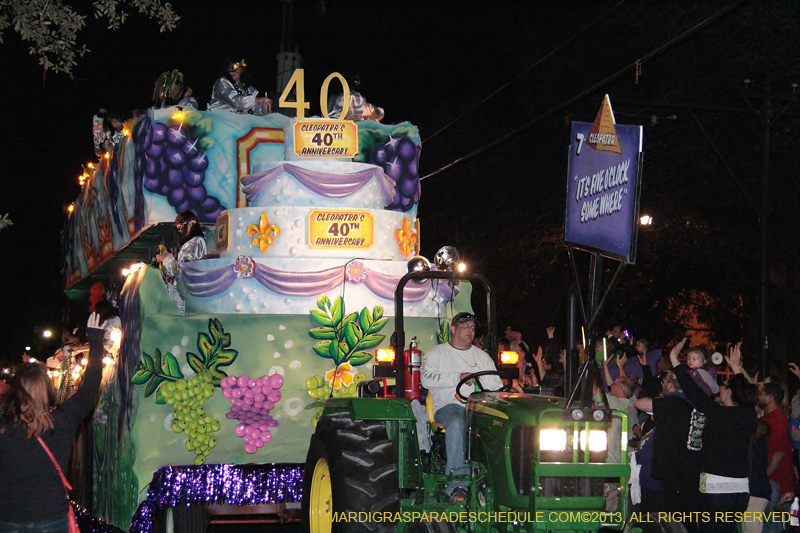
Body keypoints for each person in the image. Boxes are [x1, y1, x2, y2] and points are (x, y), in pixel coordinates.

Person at [0, 313, 104, 532]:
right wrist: (95, 339)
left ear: (16, 390)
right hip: (51, 517)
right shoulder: (63, 420)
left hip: (9, 519)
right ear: (47, 389)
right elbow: (91, 385)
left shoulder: (4, 427)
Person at [669, 337, 758, 533]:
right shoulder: (749, 416)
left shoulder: (719, 414)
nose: (720, 389)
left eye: (724, 386)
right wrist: (736, 367)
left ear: (729, 393)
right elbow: (748, 396)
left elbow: (694, 393)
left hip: (718, 490)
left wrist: (675, 361)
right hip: (741, 490)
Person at [421, 312, 503, 504]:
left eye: (473, 327)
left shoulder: (482, 357)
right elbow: (426, 379)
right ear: (453, 329)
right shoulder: (437, 353)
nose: (470, 330)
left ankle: (497, 482)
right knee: (458, 421)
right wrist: (458, 376)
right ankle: (457, 485)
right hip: (449, 407)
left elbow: (495, 384)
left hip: (479, 408)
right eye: (465, 326)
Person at [634, 371, 704, 514]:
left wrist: (659, 399)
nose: (662, 386)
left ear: (671, 386)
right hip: (691, 467)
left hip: (673, 469)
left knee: (672, 514)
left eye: (664, 383)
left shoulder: (673, 403)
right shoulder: (698, 404)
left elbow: (640, 403)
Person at [758, 381, 795, 533]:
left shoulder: (776, 421)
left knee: (772, 525)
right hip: (778, 480)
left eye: (761, 394)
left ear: (770, 397)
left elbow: (778, 453)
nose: (758, 397)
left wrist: (765, 475)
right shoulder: (775, 419)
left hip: (776, 480)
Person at [155, 211, 207, 314]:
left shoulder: (195, 242)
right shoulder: (194, 243)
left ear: (191, 224)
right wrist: (166, 256)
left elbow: (182, 269)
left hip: (190, 296)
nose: (179, 230)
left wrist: (165, 259)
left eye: (181, 225)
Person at [207, 57, 271, 115]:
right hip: (223, 120)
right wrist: (255, 100)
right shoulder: (222, 83)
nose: (233, 71)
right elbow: (234, 100)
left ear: (242, 70)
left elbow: (254, 110)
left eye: (237, 68)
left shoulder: (249, 89)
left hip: (242, 123)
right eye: (230, 68)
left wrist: (263, 106)